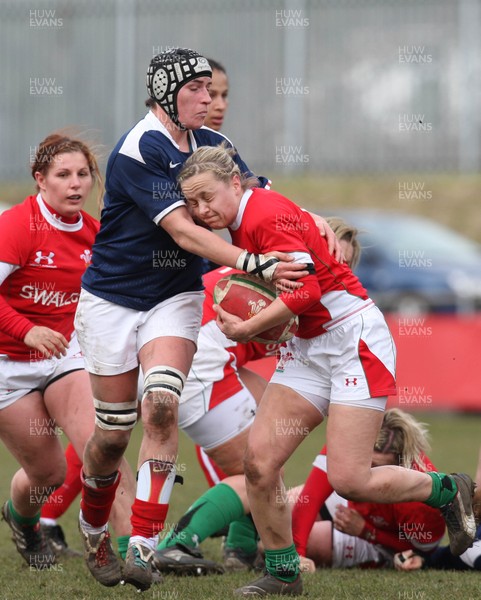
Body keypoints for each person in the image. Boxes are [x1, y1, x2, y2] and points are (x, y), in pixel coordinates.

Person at [176, 143, 476, 597]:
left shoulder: (260, 216)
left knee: (349, 479)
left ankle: (446, 490)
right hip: (309, 346)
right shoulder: (240, 220)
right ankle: (282, 571)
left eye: (207, 198)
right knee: (259, 462)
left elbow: (308, 292)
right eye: (192, 203)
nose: (201, 210)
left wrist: (250, 327)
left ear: (235, 183)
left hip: (352, 340)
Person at [74, 47, 322, 593]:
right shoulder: (138, 149)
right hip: (112, 302)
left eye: (212, 91)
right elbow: (185, 232)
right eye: (199, 91)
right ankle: (93, 523)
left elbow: (254, 194)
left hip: (173, 299)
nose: (210, 101)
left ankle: (143, 545)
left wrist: (312, 219)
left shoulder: (215, 145)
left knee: (161, 406)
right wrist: (253, 263)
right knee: (112, 436)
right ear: (167, 93)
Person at [154, 217, 362, 575]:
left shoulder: (285, 266)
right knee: (260, 471)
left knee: (266, 450)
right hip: (199, 357)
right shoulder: (299, 280)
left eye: (342, 262)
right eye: (331, 255)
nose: (334, 267)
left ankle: (241, 548)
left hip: (189, 349)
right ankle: (178, 543)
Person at [0, 133, 135, 570]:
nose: (75, 184)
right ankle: (23, 521)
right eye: (63, 175)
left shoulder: (95, 235)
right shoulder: (19, 226)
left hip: (64, 357)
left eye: (83, 174)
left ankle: (135, 549)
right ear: (41, 180)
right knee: (48, 475)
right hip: (8, 365)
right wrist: (26, 331)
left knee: (107, 441)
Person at [291, 409, 445, 570]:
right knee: (284, 508)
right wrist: (297, 554)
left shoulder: (419, 496)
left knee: (308, 541)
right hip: (352, 503)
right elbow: (311, 497)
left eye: (378, 468)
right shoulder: (347, 443)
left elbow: (423, 552)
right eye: (363, 463)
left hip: (377, 538)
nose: (366, 474)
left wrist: (367, 531)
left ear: (400, 467)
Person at [204, 58, 229, 132]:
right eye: (211, 95)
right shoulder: (169, 142)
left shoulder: (223, 142)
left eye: (224, 95)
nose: (221, 106)